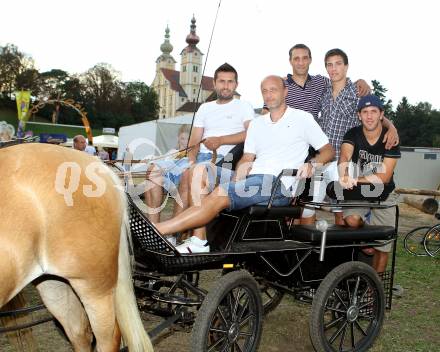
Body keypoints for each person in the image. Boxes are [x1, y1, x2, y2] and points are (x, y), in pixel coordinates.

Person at [156, 75, 335, 253]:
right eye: (264, 91)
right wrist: (235, 180)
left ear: (285, 92)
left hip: (278, 184)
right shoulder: (257, 124)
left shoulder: (302, 118)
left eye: (273, 90)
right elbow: (247, 158)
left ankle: (159, 231)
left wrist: (312, 164)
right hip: (253, 177)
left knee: (220, 192)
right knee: (197, 169)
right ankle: (199, 239)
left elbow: (328, 151)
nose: (269, 94)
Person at [144, 63, 254, 223]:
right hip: (199, 156)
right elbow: (195, 141)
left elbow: (251, 134)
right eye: (222, 81)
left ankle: (173, 234)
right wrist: (191, 160)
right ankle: (154, 229)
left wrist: (221, 140)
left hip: (222, 160)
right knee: (153, 170)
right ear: (214, 84)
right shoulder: (204, 108)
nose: (226, 86)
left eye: (230, 82)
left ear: (236, 84)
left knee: (188, 175)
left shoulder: (243, 106)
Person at [300, 48, 399, 225]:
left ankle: (344, 251)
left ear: (346, 66)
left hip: (343, 162)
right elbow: (301, 77)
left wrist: (392, 128)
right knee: (308, 207)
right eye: (329, 65)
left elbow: (375, 114)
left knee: (340, 213)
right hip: (322, 157)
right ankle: (309, 249)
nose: (334, 69)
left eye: (338, 64)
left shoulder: (358, 90)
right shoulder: (323, 89)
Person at [338, 94, 401, 273]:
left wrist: (354, 179)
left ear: (381, 114)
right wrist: (344, 174)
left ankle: (374, 291)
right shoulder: (353, 133)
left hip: (384, 193)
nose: (369, 116)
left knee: (383, 245)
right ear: (359, 115)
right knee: (351, 220)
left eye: (374, 111)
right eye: (365, 112)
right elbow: (344, 155)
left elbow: (384, 177)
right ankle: (367, 234)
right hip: (359, 192)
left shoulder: (390, 139)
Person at [261, 43, 371, 118]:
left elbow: (340, 82)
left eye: (304, 58)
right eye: (296, 59)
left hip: (312, 145)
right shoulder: (281, 85)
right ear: (290, 61)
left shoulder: (320, 82)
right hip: (287, 144)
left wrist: (360, 81)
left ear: (310, 60)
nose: (301, 63)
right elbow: (266, 114)